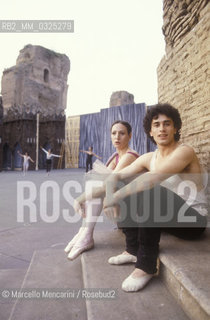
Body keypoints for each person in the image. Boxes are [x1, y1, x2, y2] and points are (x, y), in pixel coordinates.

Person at [103, 103, 208, 292]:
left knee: (150, 186)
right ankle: (132, 249)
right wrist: (110, 194)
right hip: (168, 217)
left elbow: (154, 178)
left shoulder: (185, 151)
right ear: (150, 131)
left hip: (193, 221)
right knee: (126, 182)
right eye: (157, 125)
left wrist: (115, 197)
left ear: (175, 128)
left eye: (167, 124)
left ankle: (146, 265)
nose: (162, 129)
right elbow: (115, 176)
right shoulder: (150, 157)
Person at [64, 120, 139, 260]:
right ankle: (84, 231)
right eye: (114, 133)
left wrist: (79, 199)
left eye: (122, 133)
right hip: (120, 208)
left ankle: (86, 234)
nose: (117, 137)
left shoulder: (130, 155)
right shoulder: (115, 157)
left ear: (130, 136)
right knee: (94, 181)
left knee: (98, 185)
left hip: (134, 212)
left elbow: (109, 184)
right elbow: (101, 182)